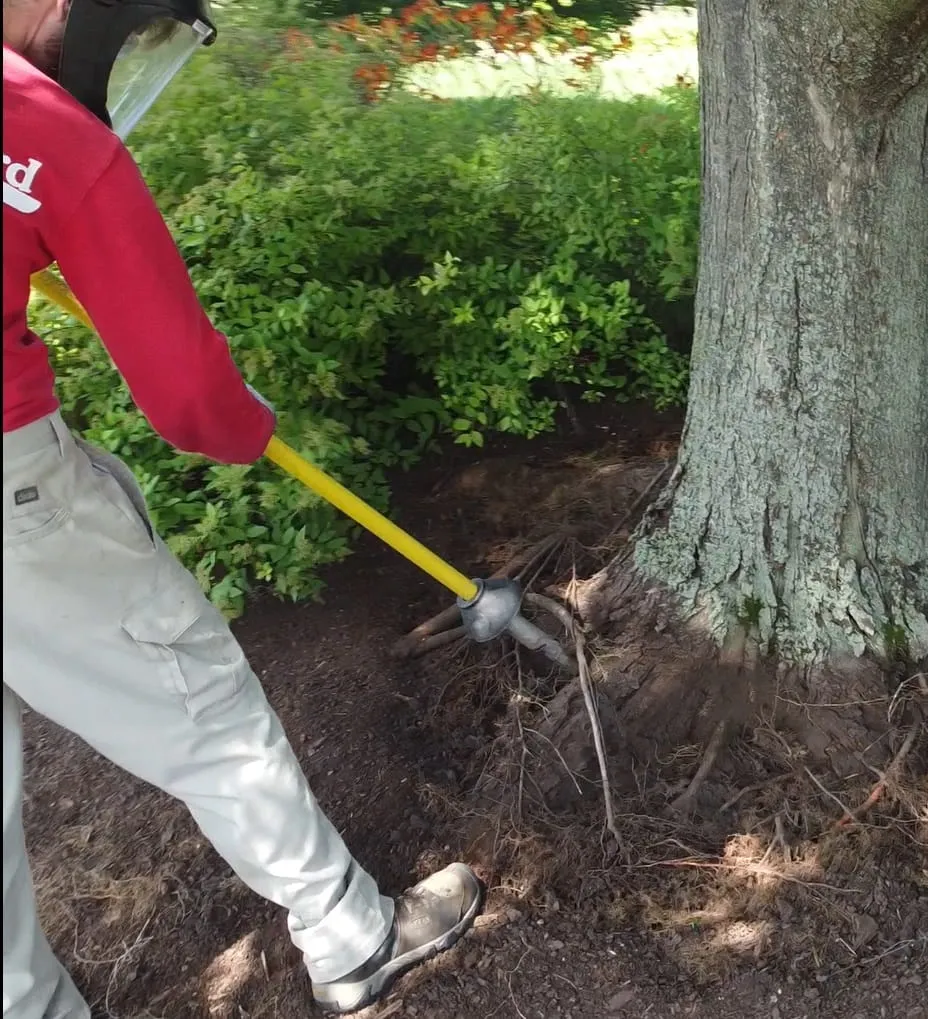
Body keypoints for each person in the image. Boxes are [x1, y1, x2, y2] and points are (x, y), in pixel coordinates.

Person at [3, 1, 485, 1015]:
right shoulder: (43, 129)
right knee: (202, 704)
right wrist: (241, 421)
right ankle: (351, 935)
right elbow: (188, 398)